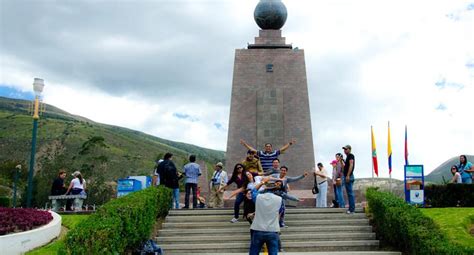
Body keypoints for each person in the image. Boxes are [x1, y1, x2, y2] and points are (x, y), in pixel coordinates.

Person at [249, 176, 283, 255]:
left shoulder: (258, 197)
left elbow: (253, 190)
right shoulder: (279, 199)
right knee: (273, 253)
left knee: (254, 252)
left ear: (265, 189)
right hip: (273, 229)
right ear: (275, 190)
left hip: (258, 229)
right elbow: (279, 214)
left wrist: (262, 182)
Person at [343, 145, 356, 214]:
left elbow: (351, 165)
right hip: (347, 176)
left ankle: (352, 210)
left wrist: (348, 175)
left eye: (346, 149)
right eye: (344, 149)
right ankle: (351, 209)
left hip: (349, 176)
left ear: (349, 149)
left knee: (350, 193)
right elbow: (345, 167)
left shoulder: (351, 155)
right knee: (349, 193)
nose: (345, 150)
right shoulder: (348, 157)